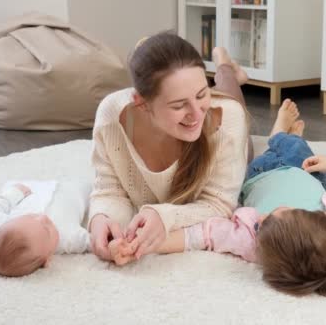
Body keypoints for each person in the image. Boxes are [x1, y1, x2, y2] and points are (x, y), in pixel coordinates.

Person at [110, 102, 326, 297]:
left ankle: (279, 137)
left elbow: (198, 236)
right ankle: (280, 135)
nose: (259, 216)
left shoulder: (252, 240)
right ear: (315, 217)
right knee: (297, 148)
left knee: (241, 162)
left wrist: (139, 245)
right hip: (305, 170)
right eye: (278, 212)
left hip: (258, 175)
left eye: (262, 223)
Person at [89, 31, 253, 261]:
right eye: (178, 105)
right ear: (141, 103)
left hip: (230, 134)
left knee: (230, 95)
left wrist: (166, 216)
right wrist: (101, 219)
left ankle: (225, 66)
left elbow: (220, 205)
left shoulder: (228, 121)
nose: (196, 114)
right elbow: (109, 189)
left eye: (201, 93)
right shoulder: (111, 115)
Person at [0, 180, 91, 277]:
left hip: (38, 189)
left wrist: (14, 194)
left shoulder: (3, 225)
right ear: (47, 260)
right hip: (74, 189)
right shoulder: (68, 239)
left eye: (30, 216)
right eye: (47, 230)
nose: (43, 217)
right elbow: (92, 242)